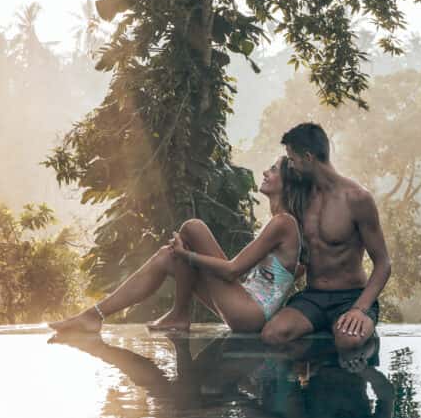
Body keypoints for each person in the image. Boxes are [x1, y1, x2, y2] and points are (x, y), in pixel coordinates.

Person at [48, 156, 309, 335]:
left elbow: (232, 271)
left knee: (193, 228)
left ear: (287, 184)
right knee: (167, 257)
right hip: (243, 306)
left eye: (274, 170)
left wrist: (189, 254)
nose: (265, 172)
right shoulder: (281, 223)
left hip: (249, 312)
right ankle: (95, 315)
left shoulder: (284, 222)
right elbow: (272, 272)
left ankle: (179, 314)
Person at [261, 122, 391, 354]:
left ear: (308, 157)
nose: (290, 166)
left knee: (348, 342)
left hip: (350, 297)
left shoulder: (357, 198)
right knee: (273, 334)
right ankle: (308, 376)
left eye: (292, 159)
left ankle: (360, 334)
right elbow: (286, 239)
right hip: (313, 297)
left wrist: (360, 309)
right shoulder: (301, 198)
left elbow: (383, 263)